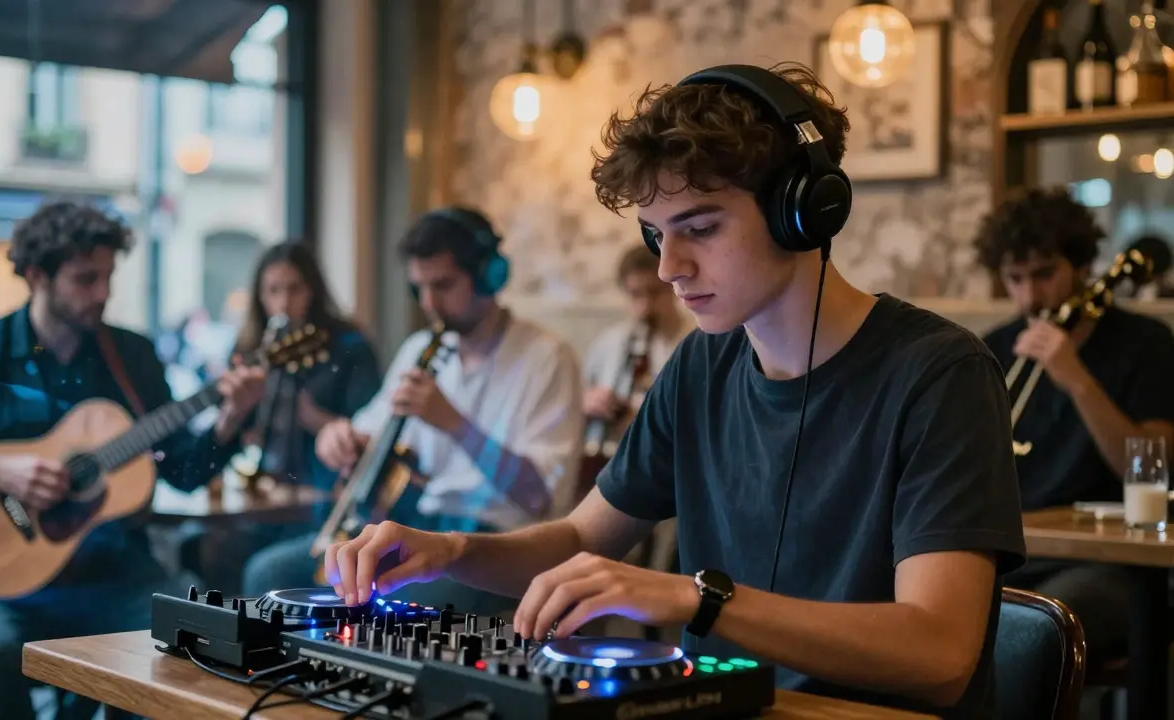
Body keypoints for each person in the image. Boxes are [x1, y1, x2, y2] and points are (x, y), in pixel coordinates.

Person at [321, 63, 1027, 719]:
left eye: (701, 229)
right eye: (657, 235)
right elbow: (575, 538)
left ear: (804, 211)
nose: (669, 268)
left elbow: (940, 654)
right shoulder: (701, 365)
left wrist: (697, 600)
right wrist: (447, 550)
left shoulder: (941, 374)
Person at [0, 201, 265, 720]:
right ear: (35, 274)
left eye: (108, 277)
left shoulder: (130, 356)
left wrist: (229, 421)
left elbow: (182, 471)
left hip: (113, 574)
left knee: (196, 641)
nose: (103, 294)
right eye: (85, 279)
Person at [242, 206, 585, 615]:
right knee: (267, 574)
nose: (429, 303)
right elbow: (366, 431)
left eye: (443, 285)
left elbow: (539, 497)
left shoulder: (547, 358)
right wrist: (338, 438)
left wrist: (455, 423)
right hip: (417, 532)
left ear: (490, 276)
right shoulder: (418, 349)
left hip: (497, 546)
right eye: (418, 288)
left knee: (377, 603)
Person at [975, 186, 1174, 660]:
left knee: (1036, 628)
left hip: (1112, 564)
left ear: (1083, 266)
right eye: (1015, 279)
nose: (1030, 296)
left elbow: (1150, 469)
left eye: (1044, 274)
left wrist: (1076, 379)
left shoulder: (1146, 344)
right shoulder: (992, 350)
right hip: (1015, 555)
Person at [235, 241, 382, 592]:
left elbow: (370, 434)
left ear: (313, 291)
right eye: (273, 291)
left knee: (264, 570)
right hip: (265, 502)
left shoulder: (351, 347)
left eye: (294, 289)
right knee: (201, 550)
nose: (284, 303)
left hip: (325, 505)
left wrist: (312, 416)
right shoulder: (251, 348)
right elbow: (237, 436)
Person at [581, 244, 692, 576]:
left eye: (654, 293)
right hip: (609, 463)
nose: (644, 306)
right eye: (634, 294)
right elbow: (577, 402)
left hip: (668, 477)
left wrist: (647, 423)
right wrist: (588, 403)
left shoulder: (693, 342)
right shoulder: (610, 342)